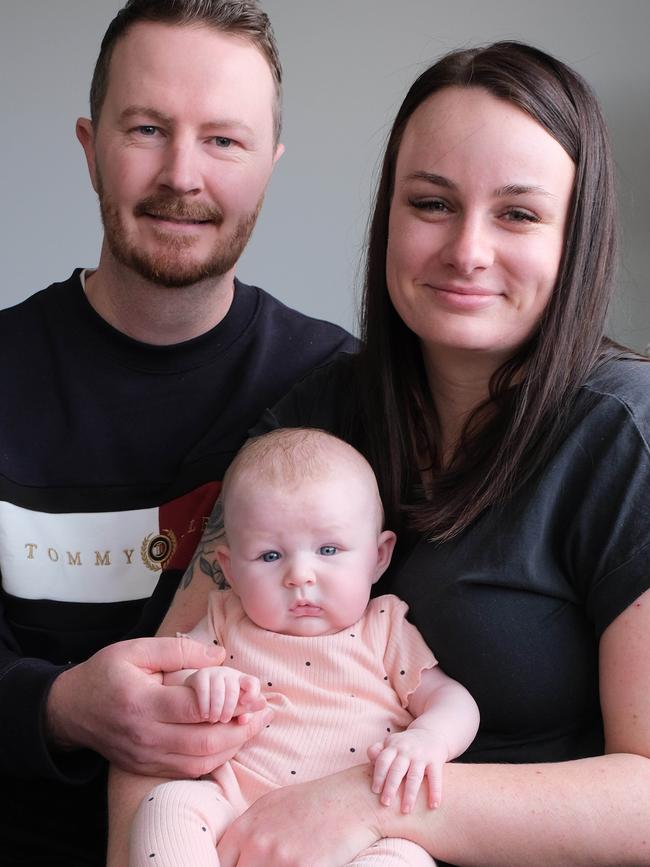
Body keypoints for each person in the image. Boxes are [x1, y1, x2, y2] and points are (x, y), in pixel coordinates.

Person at [155, 41, 650, 867]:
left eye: (518, 213)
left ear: (578, 234)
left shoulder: (625, 435)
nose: (467, 251)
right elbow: (165, 710)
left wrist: (375, 803)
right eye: (431, 203)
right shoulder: (316, 418)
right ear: (389, 213)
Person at [0, 1, 356, 864]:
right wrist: (60, 706)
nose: (182, 175)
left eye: (224, 141)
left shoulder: (340, 390)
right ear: (90, 147)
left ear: (269, 165)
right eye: (148, 128)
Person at [128, 428, 480, 867]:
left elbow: (453, 699)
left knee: (404, 857)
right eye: (270, 556)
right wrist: (200, 681)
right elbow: (165, 689)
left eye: (328, 549)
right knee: (168, 804)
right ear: (231, 569)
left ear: (379, 557)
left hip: (360, 833)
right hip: (234, 815)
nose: (300, 576)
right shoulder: (224, 619)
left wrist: (430, 739)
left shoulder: (384, 627)